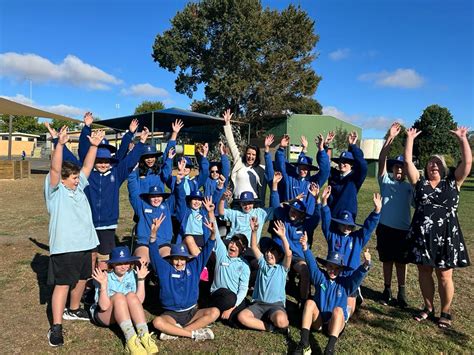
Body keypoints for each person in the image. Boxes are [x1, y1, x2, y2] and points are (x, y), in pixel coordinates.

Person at [405, 126, 471, 328]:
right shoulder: (419, 183)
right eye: (430, 162)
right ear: (425, 168)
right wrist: (410, 139)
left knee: (444, 274)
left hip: (446, 236)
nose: (433, 165)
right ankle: (427, 307)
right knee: (424, 272)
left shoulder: (453, 182)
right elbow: (408, 161)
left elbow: (468, 162)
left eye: (438, 163)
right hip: (422, 235)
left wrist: (462, 139)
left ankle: (446, 311)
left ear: (443, 168)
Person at [45, 126, 103, 347]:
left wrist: (95, 146)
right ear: (63, 179)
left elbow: (88, 165)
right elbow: (54, 168)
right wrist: (60, 144)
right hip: (65, 247)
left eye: (78, 178)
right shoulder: (55, 191)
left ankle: (74, 309)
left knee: (82, 279)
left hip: (86, 244)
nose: (79, 181)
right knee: (62, 285)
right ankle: (56, 327)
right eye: (74, 178)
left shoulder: (78, 189)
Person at [79, 113, 149, 269]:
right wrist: (86, 128)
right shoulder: (86, 175)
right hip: (88, 223)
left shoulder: (116, 174)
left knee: (104, 258)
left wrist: (140, 141)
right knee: (90, 255)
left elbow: (129, 159)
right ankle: (90, 283)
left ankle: (101, 284)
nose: (103, 164)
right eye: (99, 161)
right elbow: (83, 150)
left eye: (106, 161)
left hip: (107, 224)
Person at [292, 232, 372, 355]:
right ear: (326, 266)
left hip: (334, 324)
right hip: (319, 321)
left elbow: (357, 277)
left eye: (336, 268)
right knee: (309, 303)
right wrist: (305, 247)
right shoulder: (320, 277)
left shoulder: (346, 283)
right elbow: (312, 265)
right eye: (330, 266)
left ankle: (329, 349)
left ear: (341, 270)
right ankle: (304, 344)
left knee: (338, 310)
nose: (333, 271)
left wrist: (365, 265)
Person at [149, 214, 219, 341]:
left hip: (192, 311)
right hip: (171, 314)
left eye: (182, 259)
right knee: (157, 322)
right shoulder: (164, 268)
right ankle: (193, 333)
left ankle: (174, 331)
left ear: (187, 259)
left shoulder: (194, 266)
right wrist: (153, 236)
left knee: (215, 312)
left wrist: (213, 235)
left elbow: (206, 252)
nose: (179, 262)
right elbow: (154, 255)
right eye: (176, 258)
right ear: (171, 259)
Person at [320, 185, 381, 315]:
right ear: (338, 224)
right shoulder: (333, 236)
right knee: (329, 307)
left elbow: (368, 228)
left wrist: (377, 211)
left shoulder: (357, 238)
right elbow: (325, 223)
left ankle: (355, 293)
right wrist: (324, 203)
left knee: (347, 313)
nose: (346, 227)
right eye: (343, 224)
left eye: (349, 225)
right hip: (334, 275)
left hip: (350, 278)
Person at [90, 247, 159, 355]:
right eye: (119, 263)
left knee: (131, 295)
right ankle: (131, 340)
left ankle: (144, 335)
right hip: (104, 314)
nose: (123, 266)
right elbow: (103, 307)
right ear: (112, 264)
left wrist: (141, 280)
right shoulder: (104, 276)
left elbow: (138, 301)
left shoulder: (132, 274)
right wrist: (103, 285)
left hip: (123, 312)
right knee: (119, 297)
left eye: (126, 262)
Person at [376, 122, 413, 307]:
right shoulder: (385, 181)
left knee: (401, 263)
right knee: (387, 260)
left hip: (403, 230)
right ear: (392, 169)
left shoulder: (410, 186)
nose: (399, 169)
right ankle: (387, 289)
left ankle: (402, 292)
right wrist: (390, 137)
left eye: (403, 167)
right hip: (385, 227)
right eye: (396, 167)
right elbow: (382, 158)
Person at [270, 173, 321, 303]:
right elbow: (275, 204)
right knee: (270, 263)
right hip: (282, 254)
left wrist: (317, 199)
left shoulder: (306, 224)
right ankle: (270, 295)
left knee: (305, 271)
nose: (293, 212)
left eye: (297, 211)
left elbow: (316, 216)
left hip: (297, 257)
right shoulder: (283, 217)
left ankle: (303, 300)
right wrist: (275, 185)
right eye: (292, 209)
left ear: (302, 215)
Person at [201, 196, 250, 327]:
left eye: (238, 245)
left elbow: (243, 289)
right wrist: (211, 212)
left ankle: (220, 313)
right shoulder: (222, 253)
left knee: (238, 320)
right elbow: (216, 233)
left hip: (233, 299)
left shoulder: (244, 265)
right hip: (219, 295)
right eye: (233, 242)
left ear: (243, 250)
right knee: (230, 298)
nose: (233, 246)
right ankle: (206, 311)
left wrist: (231, 309)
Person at [237, 218, 291, 335]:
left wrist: (283, 236)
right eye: (267, 251)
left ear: (280, 255)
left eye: (272, 252)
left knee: (282, 322)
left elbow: (289, 254)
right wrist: (254, 231)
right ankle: (269, 327)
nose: (268, 254)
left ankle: (275, 322)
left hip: (275, 306)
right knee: (242, 317)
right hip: (258, 304)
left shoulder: (282, 268)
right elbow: (254, 247)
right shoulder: (262, 264)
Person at [222, 109, 266, 204]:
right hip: (238, 202)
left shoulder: (261, 169)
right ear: (245, 154)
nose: (250, 157)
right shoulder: (239, 163)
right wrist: (227, 124)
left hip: (253, 203)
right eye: (249, 154)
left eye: (253, 154)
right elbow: (232, 144)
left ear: (257, 156)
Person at [327, 131, 368, 219]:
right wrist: (325, 145)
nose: (342, 164)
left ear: (352, 164)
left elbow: (363, 165)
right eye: (340, 161)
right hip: (332, 215)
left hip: (347, 218)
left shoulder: (355, 178)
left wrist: (353, 146)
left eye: (346, 162)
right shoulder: (334, 175)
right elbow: (324, 164)